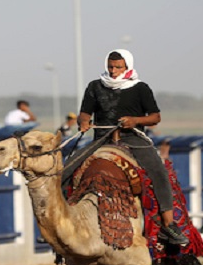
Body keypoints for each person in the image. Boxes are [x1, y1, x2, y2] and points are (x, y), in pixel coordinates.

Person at [77, 49, 188, 245]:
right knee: (69, 168)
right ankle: (60, 222)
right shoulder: (95, 86)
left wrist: (135, 121)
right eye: (110, 67)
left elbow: (155, 117)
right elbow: (85, 112)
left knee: (159, 172)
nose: (113, 71)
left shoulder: (140, 88)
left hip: (133, 139)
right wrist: (84, 122)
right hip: (102, 139)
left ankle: (168, 225)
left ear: (127, 66)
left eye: (118, 67)